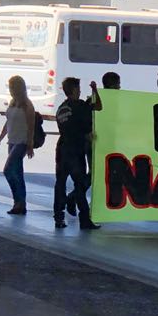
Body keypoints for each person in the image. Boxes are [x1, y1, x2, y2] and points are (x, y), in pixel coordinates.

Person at [53, 77, 101, 231]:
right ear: (74, 90)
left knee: (60, 184)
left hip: (62, 150)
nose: (80, 91)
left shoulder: (61, 108)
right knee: (79, 186)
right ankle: (85, 220)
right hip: (75, 151)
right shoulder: (80, 106)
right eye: (78, 88)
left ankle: (58, 217)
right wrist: (95, 90)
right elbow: (98, 107)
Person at [0, 75, 35, 215]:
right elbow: (8, 122)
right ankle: (19, 203)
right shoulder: (12, 102)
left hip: (21, 142)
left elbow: (31, 126)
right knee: (17, 172)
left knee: (8, 170)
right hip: (11, 141)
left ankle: (20, 201)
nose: (10, 90)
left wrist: (29, 145)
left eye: (12, 87)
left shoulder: (27, 105)